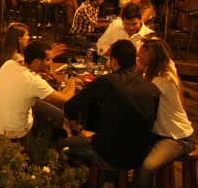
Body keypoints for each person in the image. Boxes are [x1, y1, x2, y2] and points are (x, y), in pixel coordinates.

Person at [63, 39, 160, 170]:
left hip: (110, 155)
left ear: (113, 61)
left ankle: (98, 180)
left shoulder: (107, 82)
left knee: (63, 146)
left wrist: (79, 130)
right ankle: (110, 179)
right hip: (140, 155)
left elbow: (70, 106)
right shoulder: (151, 87)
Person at [136, 36, 195, 188]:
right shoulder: (157, 71)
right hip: (159, 134)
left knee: (147, 168)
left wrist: (137, 70)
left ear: (153, 56)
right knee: (129, 152)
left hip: (177, 137)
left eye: (142, 53)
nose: (138, 56)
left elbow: (136, 93)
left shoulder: (163, 80)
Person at [0, 40, 79, 140]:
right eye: (48, 59)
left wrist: (38, 75)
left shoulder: (8, 64)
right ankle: (48, 150)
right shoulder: (33, 81)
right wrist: (72, 81)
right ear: (36, 62)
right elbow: (65, 98)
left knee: (55, 114)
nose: (51, 62)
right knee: (62, 133)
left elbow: (22, 76)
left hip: (0, 126)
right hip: (18, 133)